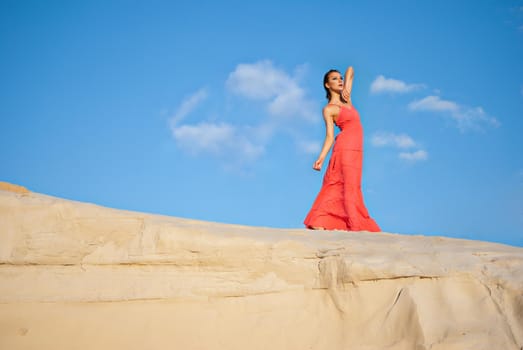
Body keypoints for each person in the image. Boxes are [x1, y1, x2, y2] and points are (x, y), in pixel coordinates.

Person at [304, 66, 380, 232]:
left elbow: (352, 71)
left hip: (357, 150)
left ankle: (345, 223)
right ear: (327, 85)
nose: (339, 80)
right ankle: (326, 221)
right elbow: (330, 137)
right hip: (344, 149)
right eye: (334, 79)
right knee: (342, 184)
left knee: (353, 186)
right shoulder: (329, 109)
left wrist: (345, 87)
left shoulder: (347, 100)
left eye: (340, 78)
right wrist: (321, 158)